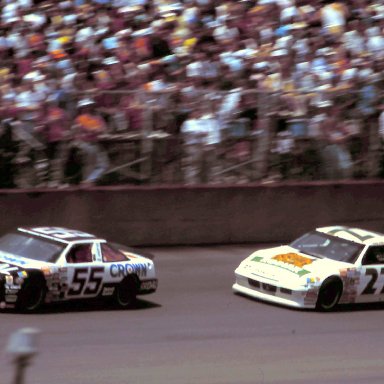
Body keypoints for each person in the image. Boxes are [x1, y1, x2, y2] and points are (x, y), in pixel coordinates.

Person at [72, 98, 110, 186]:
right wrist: (96, 130)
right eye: (84, 107)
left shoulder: (97, 118)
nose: (87, 108)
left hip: (95, 143)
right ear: (81, 108)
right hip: (84, 144)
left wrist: (96, 130)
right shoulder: (80, 119)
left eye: (88, 106)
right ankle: (88, 180)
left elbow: (104, 129)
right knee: (91, 160)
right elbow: (88, 129)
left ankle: (90, 180)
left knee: (103, 165)